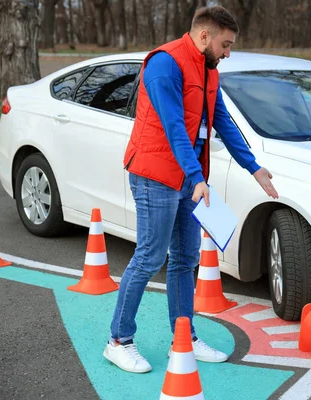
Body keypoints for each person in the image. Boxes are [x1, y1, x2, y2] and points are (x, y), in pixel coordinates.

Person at [103, 5, 279, 373]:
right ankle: (118, 340)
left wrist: (254, 168)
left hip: (187, 178)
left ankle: (184, 338)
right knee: (150, 256)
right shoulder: (165, 64)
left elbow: (222, 121)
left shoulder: (208, 69)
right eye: (226, 44)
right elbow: (173, 127)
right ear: (204, 36)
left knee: (186, 259)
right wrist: (197, 177)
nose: (228, 53)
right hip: (155, 175)